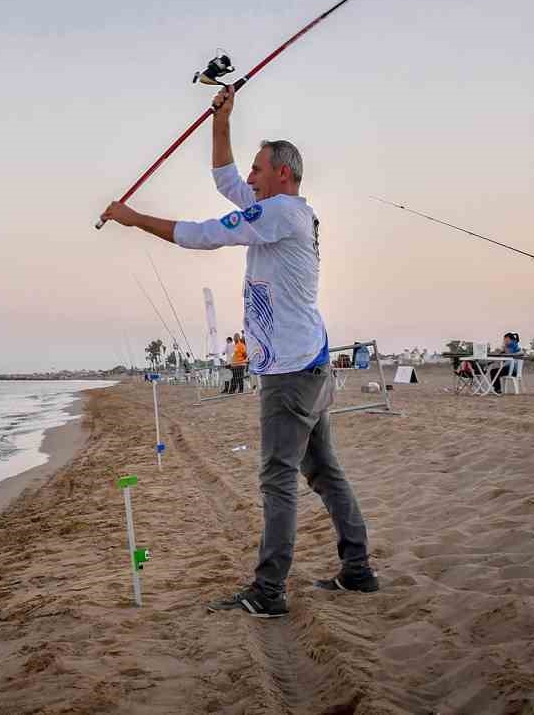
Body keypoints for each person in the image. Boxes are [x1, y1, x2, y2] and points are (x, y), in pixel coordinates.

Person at [102, 83, 377, 617]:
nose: (248, 177)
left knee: (279, 480)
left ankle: (269, 593)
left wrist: (135, 220)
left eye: (258, 169)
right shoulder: (278, 207)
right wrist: (221, 118)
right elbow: (224, 178)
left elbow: (205, 234)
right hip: (310, 364)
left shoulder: (282, 215)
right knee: (324, 472)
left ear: (283, 175)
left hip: (293, 373)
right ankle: (358, 569)